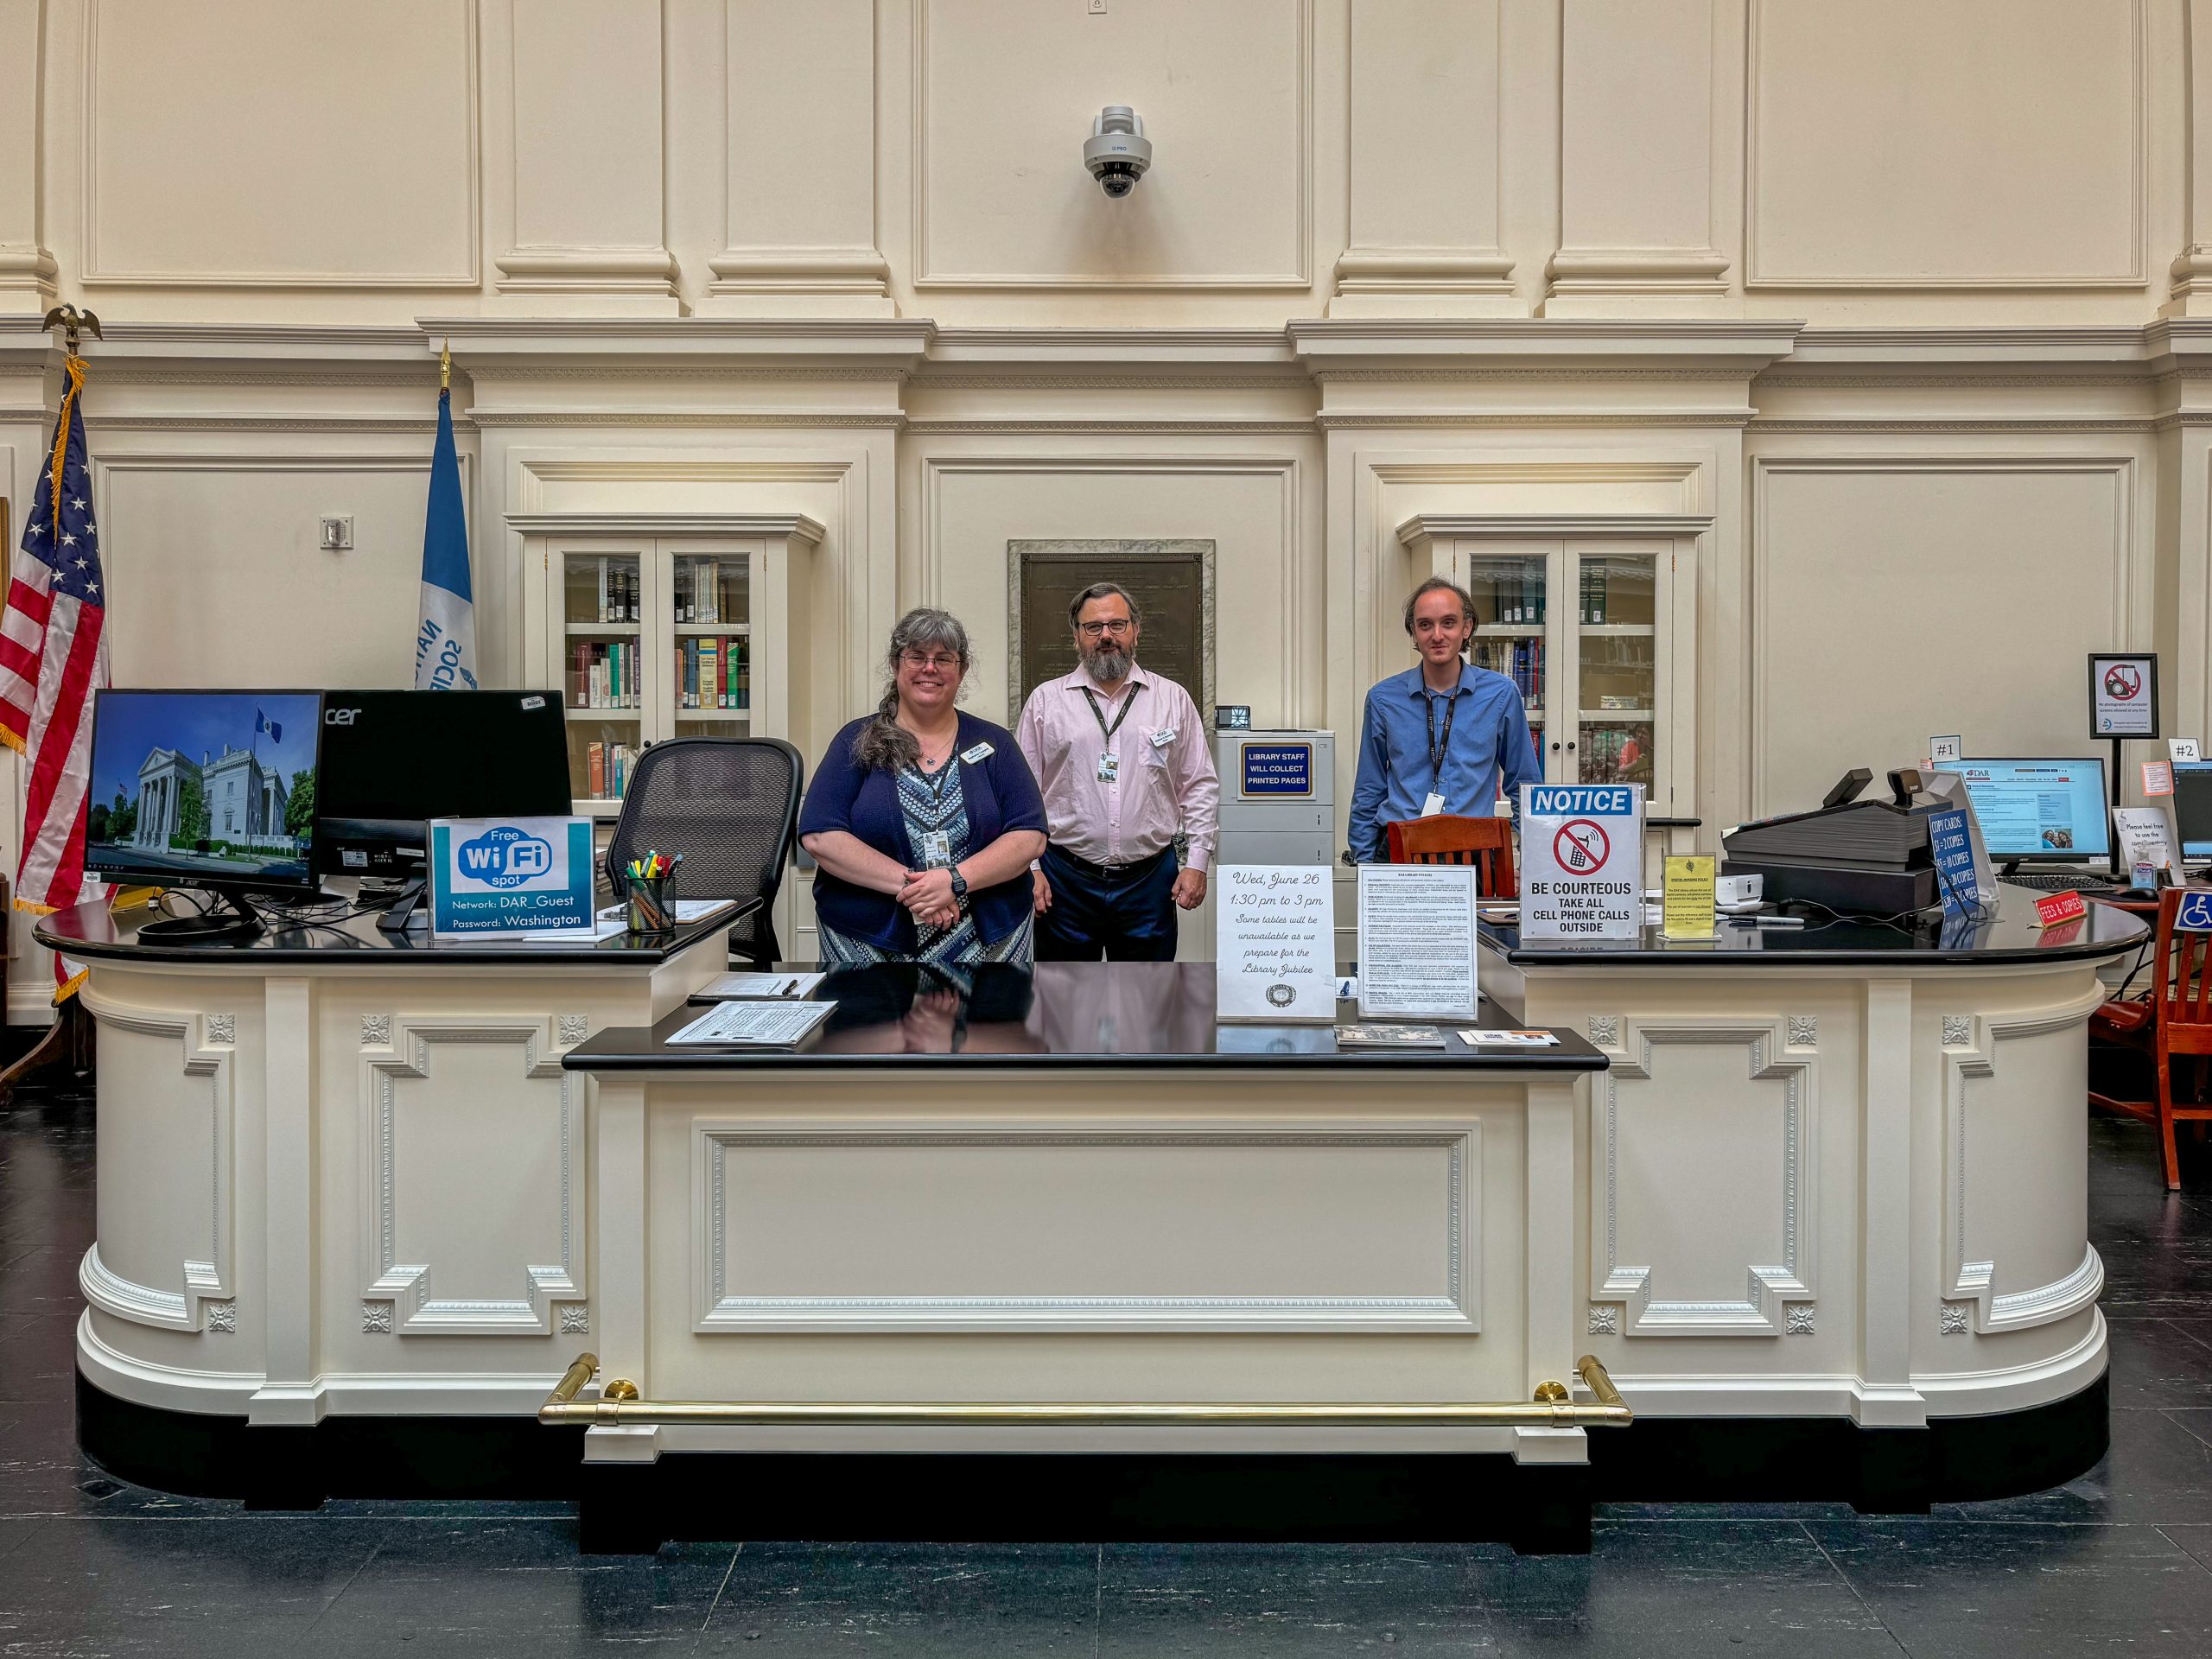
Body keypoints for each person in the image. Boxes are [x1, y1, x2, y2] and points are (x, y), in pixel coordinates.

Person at [798, 608, 1046, 968]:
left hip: (991, 942)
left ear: (961, 671)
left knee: (987, 1026)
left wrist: (955, 881)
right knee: (873, 1025)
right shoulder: (855, 740)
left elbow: (1029, 835)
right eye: (917, 656)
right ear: (897, 665)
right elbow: (821, 835)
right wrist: (919, 889)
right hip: (867, 943)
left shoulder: (995, 743)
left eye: (944, 658)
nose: (930, 668)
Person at [1015, 582, 1219, 961]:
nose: (1106, 635)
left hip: (1149, 881)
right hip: (1064, 879)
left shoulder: (1172, 699)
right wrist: (1030, 869)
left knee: (1147, 1003)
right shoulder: (1046, 702)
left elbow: (1198, 786)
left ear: (1136, 631)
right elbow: (1022, 797)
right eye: (1093, 627)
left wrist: (1197, 863)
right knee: (1066, 1004)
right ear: (1076, 636)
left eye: (1117, 625)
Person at [1348, 575, 1542, 863]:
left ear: (1467, 628)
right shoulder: (1383, 699)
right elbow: (1368, 788)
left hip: (1474, 853)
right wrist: (1364, 865)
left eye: (1448, 623)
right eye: (1425, 624)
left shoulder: (1501, 695)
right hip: (1399, 850)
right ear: (1413, 632)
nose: (1437, 635)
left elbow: (1525, 784)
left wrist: (1531, 862)